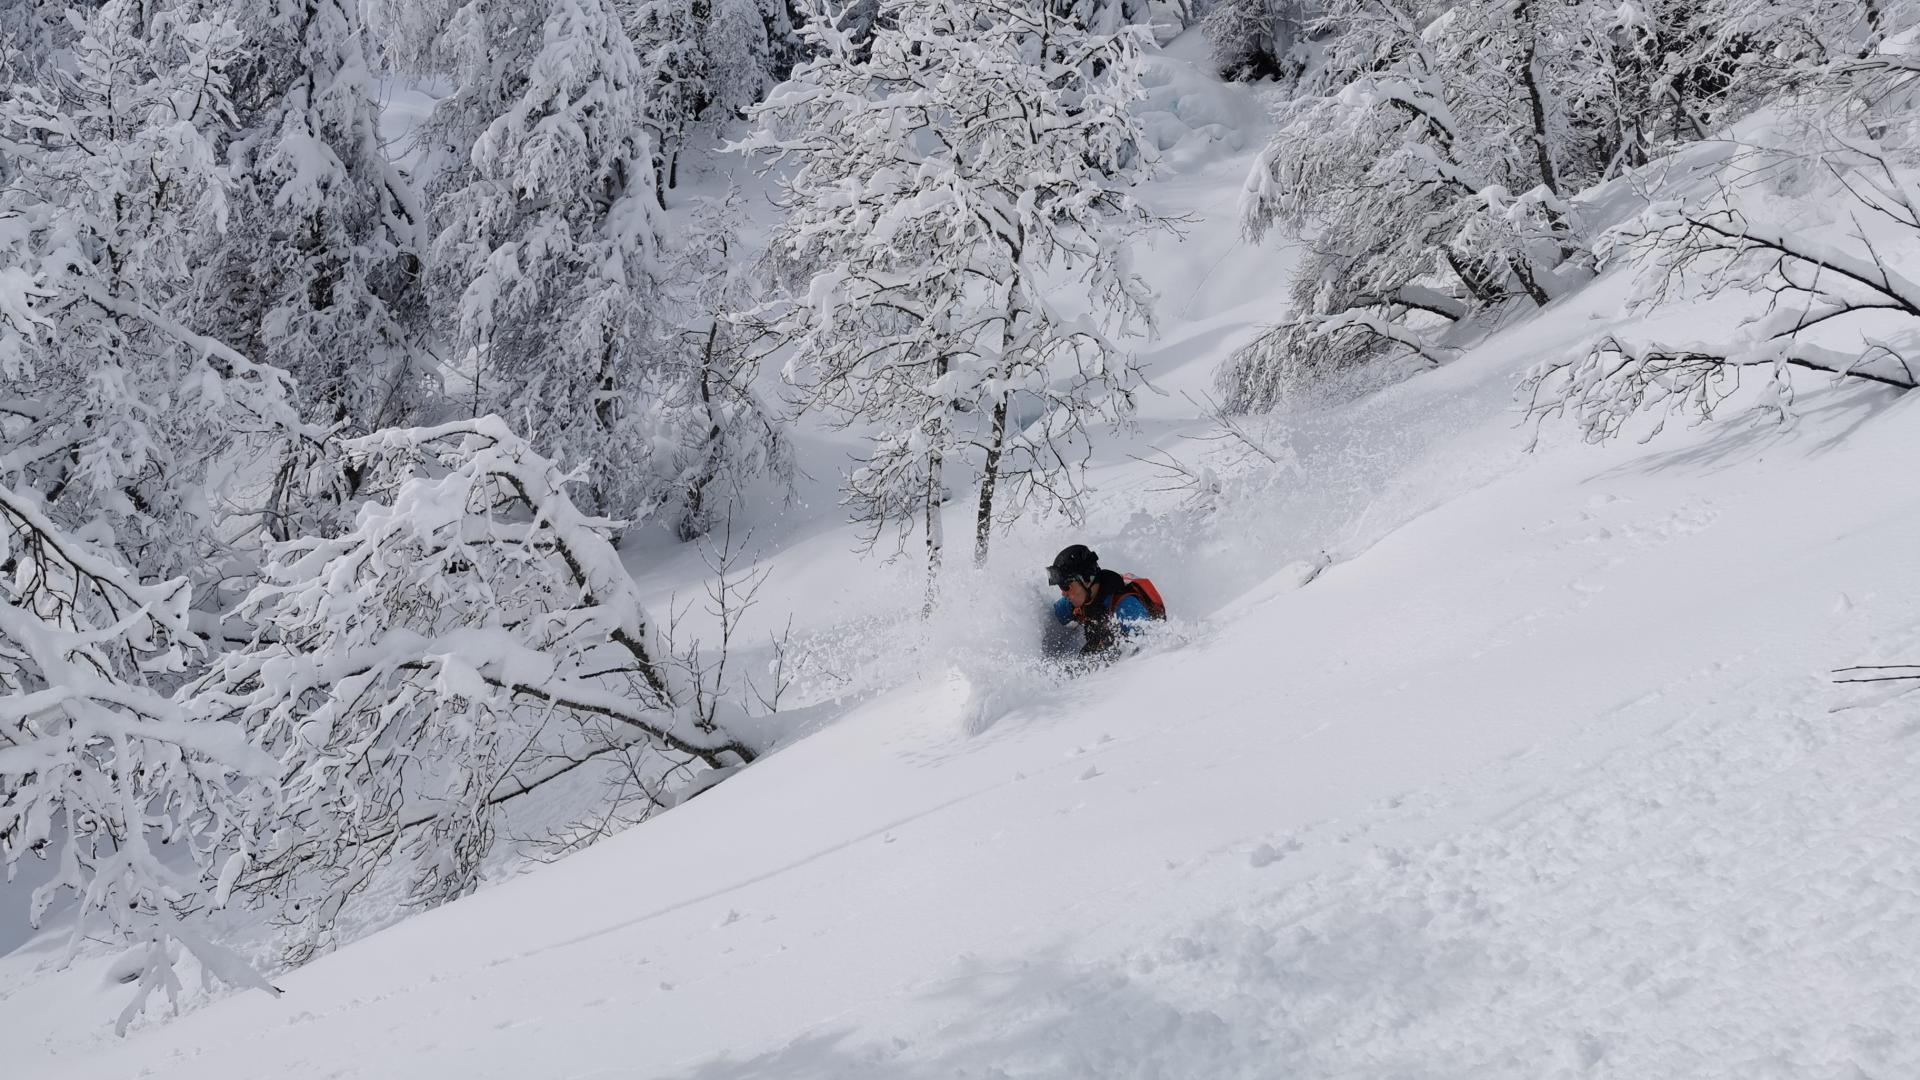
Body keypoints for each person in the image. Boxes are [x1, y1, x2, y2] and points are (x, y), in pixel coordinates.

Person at [1046, 544, 1165, 658]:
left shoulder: (1126, 606)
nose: (1063, 593)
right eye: (1060, 587)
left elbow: (1150, 652)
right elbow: (1050, 617)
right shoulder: (1078, 598)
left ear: (1087, 580)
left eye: (1066, 586)